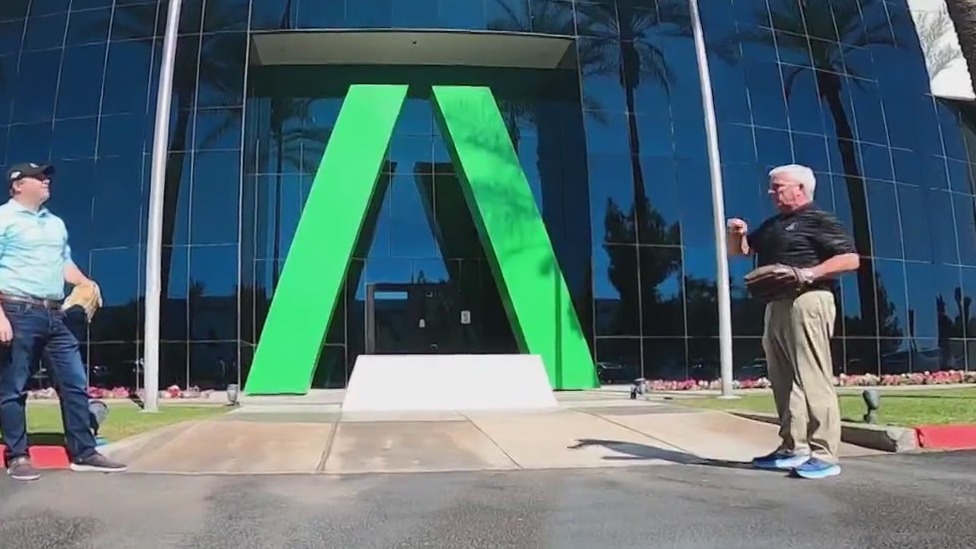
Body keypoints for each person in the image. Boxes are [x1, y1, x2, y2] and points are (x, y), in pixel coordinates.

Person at [727, 164, 860, 480]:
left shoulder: (819, 219)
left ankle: (824, 454)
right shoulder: (774, 224)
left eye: (777, 186)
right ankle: (792, 447)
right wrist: (738, 234)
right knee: (783, 379)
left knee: (813, 378)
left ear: (800, 188)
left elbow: (851, 259)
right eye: (772, 187)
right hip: (777, 304)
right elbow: (742, 252)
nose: (771, 192)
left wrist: (808, 273)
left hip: (809, 300)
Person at [0, 162, 127, 481]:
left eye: (47, 177)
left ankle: (84, 451)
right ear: (17, 185)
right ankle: (18, 456)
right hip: (17, 310)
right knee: (13, 388)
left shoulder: (54, 224)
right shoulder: (4, 218)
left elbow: (63, 264)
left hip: (55, 314)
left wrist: (87, 283)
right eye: (39, 177)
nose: (46, 181)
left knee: (73, 383)